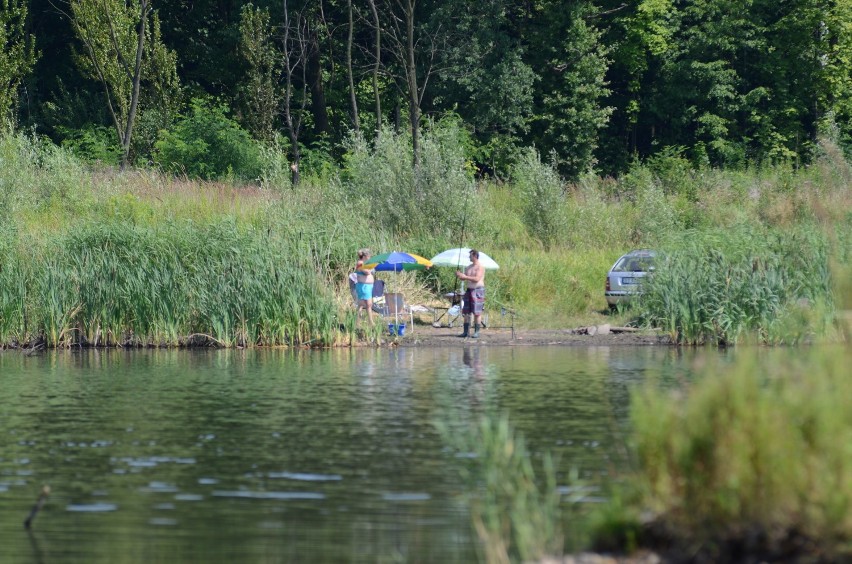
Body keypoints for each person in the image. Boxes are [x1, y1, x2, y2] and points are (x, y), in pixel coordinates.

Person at [455, 249, 485, 338]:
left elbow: (476, 279)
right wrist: (459, 275)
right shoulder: (468, 267)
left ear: (475, 256)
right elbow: (464, 278)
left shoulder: (480, 267)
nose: (469, 257)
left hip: (478, 291)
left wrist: (465, 276)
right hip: (469, 290)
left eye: (470, 256)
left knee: (477, 312)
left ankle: (476, 332)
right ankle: (465, 332)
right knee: (466, 311)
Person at [355, 248, 375, 325]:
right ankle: (361, 322)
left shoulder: (365, 263)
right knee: (363, 304)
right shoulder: (360, 263)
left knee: (367, 304)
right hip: (363, 286)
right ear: (365, 256)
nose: (370, 257)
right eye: (369, 256)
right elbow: (366, 272)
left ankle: (368, 321)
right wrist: (371, 266)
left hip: (368, 286)